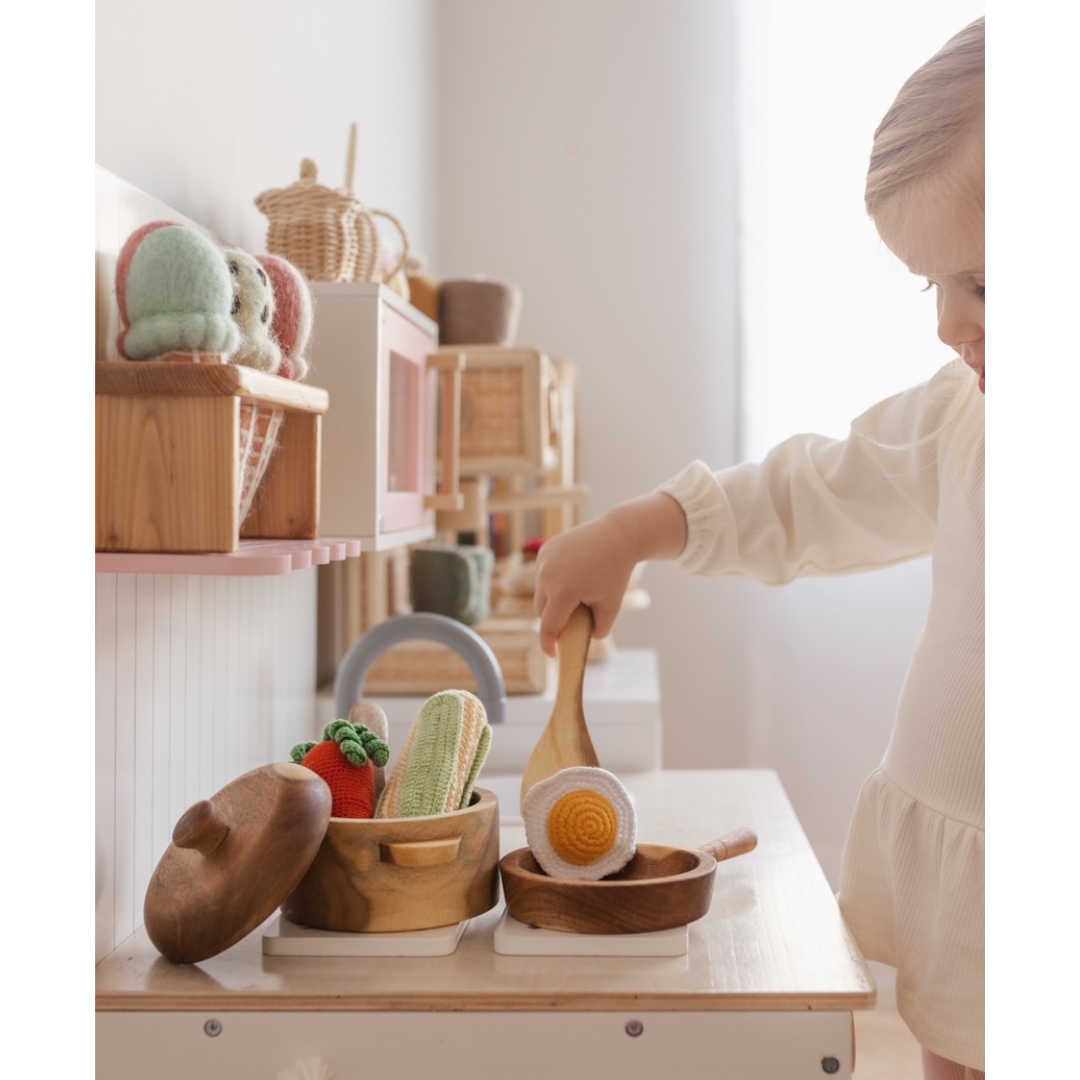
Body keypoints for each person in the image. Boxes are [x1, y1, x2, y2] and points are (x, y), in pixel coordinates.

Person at [532, 17, 985, 1080]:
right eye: (937, 287)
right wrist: (637, 529)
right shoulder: (965, 415)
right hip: (963, 885)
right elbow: (814, 491)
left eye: (987, 285)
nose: (948, 325)